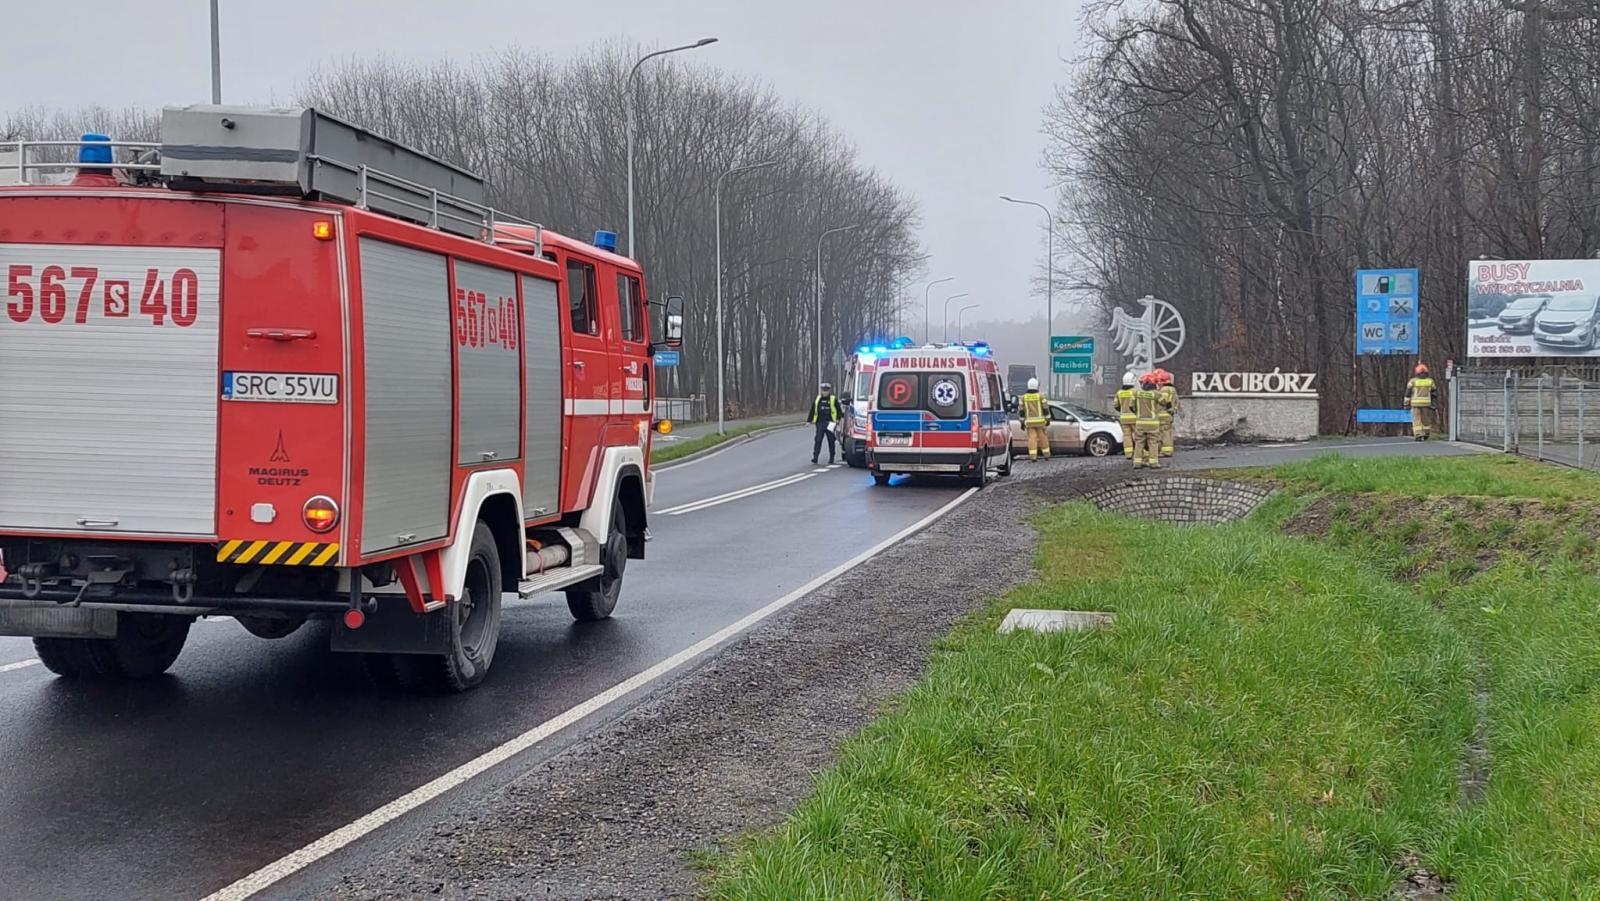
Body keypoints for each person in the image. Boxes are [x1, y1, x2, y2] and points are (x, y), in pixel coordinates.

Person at [808, 382, 843, 464]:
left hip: (830, 423)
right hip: (820, 423)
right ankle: (815, 457)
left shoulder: (833, 399)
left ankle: (831, 457)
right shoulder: (818, 399)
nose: (825, 392)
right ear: (821, 390)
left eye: (826, 390)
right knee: (818, 439)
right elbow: (813, 410)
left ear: (829, 391)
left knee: (831, 440)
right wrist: (809, 421)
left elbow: (839, 411)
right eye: (823, 390)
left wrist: (838, 419)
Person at [1133, 373, 1163, 468]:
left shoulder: (1137, 393)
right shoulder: (1156, 394)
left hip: (1140, 423)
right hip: (1153, 423)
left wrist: (1137, 413)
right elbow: (1166, 403)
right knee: (1153, 443)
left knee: (1139, 442)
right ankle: (1153, 463)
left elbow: (1131, 406)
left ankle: (1137, 463)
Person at [1018, 377, 1051, 460]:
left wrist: (1022, 422)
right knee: (1043, 437)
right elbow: (1045, 409)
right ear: (1036, 386)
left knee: (1032, 438)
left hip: (1029, 423)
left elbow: (1021, 411)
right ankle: (1046, 455)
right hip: (1040, 422)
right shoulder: (1041, 397)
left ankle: (1033, 456)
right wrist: (1048, 420)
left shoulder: (1023, 398)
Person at [1405, 363, 1435, 441]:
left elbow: (1408, 394)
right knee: (1426, 419)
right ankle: (1426, 433)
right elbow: (1434, 393)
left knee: (1416, 420)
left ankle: (1418, 434)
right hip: (1426, 403)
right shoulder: (1430, 381)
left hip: (1415, 404)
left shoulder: (1412, 381)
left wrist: (1406, 404)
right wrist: (1434, 404)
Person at [1155, 369, 1179, 457]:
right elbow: (1176, 402)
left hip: (1163, 415)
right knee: (1168, 433)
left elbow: (1165, 401)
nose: (1157, 383)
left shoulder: (1164, 389)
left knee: (1163, 433)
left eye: (1158, 381)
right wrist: (1173, 410)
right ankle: (1167, 450)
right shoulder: (1172, 389)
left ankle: (1166, 451)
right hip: (1169, 415)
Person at [1115, 372, 1138, 459]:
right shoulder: (1135, 392)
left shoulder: (1119, 392)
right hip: (1135, 418)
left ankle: (1128, 453)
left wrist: (1122, 411)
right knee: (1138, 435)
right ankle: (1139, 452)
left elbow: (1116, 405)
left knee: (1127, 436)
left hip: (1123, 418)